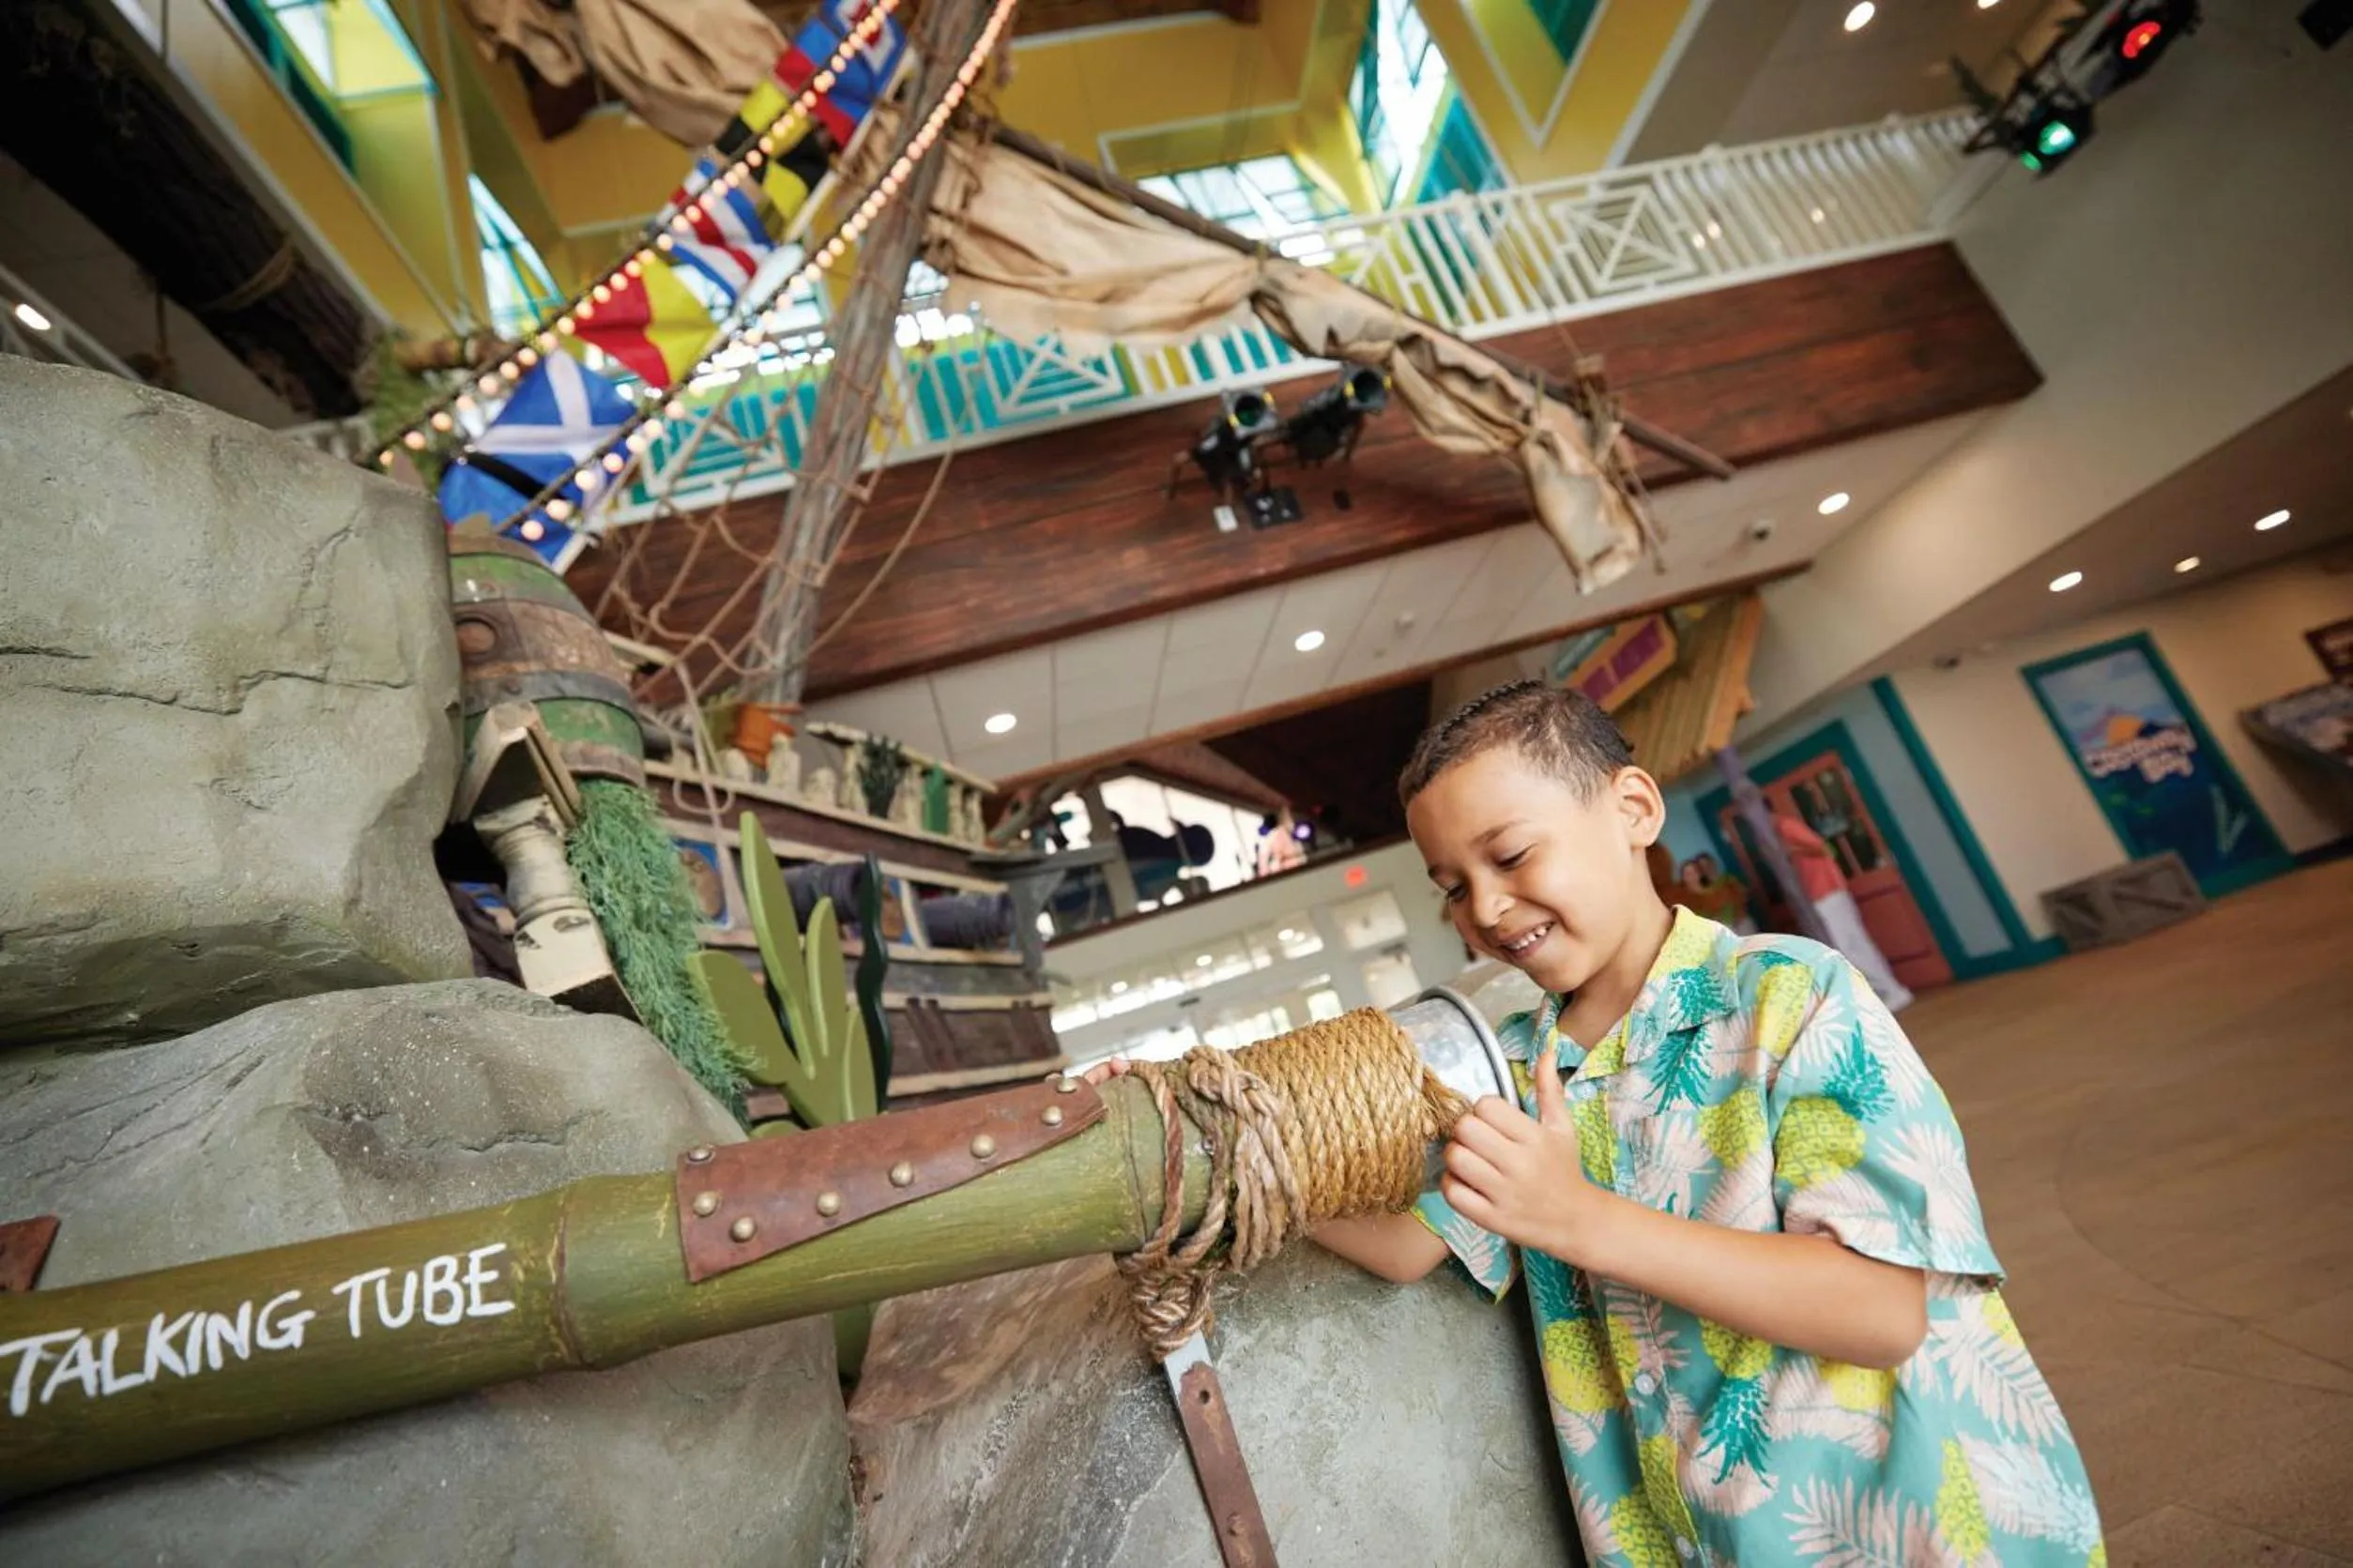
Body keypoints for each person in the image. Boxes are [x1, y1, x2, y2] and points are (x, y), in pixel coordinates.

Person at [1102, 681, 2099, 1566]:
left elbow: (1879, 1313)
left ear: (1630, 808)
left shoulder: (1790, 996)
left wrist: (1572, 1218)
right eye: (1451, 886)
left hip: (1914, 1527)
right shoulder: (1511, 1053)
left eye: (1509, 854)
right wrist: (1202, 1147)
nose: (1484, 908)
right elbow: (1410, 1244)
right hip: (1682, 1533)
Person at [1771, 808, 1916, 1012]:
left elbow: (1822, 848)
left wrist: (1791, 851)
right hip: (1820, 894)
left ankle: (1891, 991)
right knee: (1851, 945)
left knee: (1848, 946)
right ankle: (1886, 992)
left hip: (1827, 892)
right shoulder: (1778, 832)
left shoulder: (1785, 826)